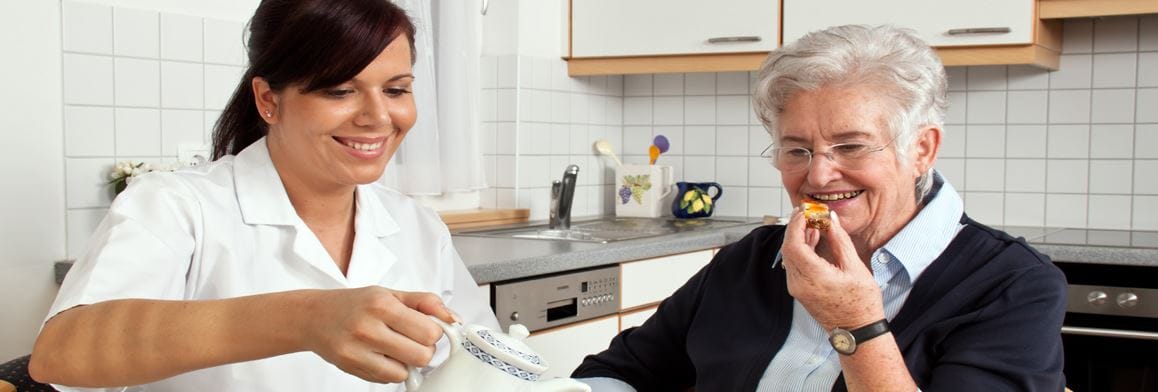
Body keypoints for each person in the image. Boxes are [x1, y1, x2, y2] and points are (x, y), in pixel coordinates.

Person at [30, 0, 498, 390]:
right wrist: (306, 318)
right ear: (268, 100)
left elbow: (486, 362)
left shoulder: (417, 226)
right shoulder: (178, 207)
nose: (378, 117)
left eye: (396, 89)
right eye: (339, 91)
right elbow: (62, 353)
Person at [573, 25, 1067, 391]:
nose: (817, 176)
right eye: (797, 149)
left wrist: (854, 321)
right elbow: (619, 372)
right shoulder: (749, 260)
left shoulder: (1013, 284)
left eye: (851, 146)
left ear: (922, 150)